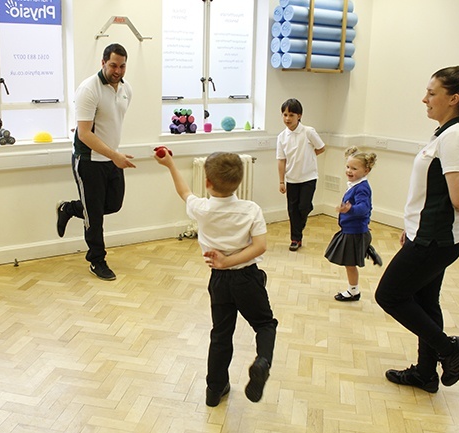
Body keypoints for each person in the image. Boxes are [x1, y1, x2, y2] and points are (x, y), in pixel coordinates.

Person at [375, 66, 459, 393]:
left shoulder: (455, 137)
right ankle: (424, 373)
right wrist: (411, 226)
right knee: (425, 301)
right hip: (429, 234)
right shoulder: (447, 133)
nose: (425, 99)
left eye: (431, 93)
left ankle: (449, 348)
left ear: (454, 98)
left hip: (436, 238)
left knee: (389, 295)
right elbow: (430, 191)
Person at [155, 151, 278, 407]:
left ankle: (214, 390)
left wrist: (170, 164)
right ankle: (262, 361)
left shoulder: (202, 208)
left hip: (219, 281)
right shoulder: (251, 209)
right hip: (248, 279)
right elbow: (261, 246)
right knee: (265, 324)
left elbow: (184, 191)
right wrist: (231, 260)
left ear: (208, 182)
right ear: (240, 181)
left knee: (221, 335)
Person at [56, 43, 135, 281]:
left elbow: (108, 120)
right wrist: (114, 155)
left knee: (112, 204)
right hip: (88, 160)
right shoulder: (89, 89)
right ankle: (97, 260)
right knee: (95, 217)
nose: (117, 71)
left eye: (122, 66)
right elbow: (85, 134)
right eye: (113, 65)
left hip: (111, 157)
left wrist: (113, 155)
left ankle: (68, 208)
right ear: (103, 63)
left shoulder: (126, 89)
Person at [324, 147, 382, 302]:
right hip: (351, 229)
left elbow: (364, 208)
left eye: (354, 168)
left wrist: (350, 209)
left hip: (354, 231)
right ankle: (365, 248)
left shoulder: (362, 188)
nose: (349, 171)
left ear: (366, 170)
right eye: (348, 167)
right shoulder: (355, 184)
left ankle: (353, 291)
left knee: (350, 264)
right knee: (348, 259)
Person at [276, 98, 326, 251]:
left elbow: (321, 148)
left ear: (299, 116)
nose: (287, 118)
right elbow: (281, 160)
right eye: (285, 115)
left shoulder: (308, 132)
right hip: (291, 179)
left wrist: (308, 158)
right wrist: (281, 181)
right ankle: (295, 239)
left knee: (304, 207)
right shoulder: (281, 137)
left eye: (291, 115)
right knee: (292, 210)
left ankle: (298, 232)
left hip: (308, 178)